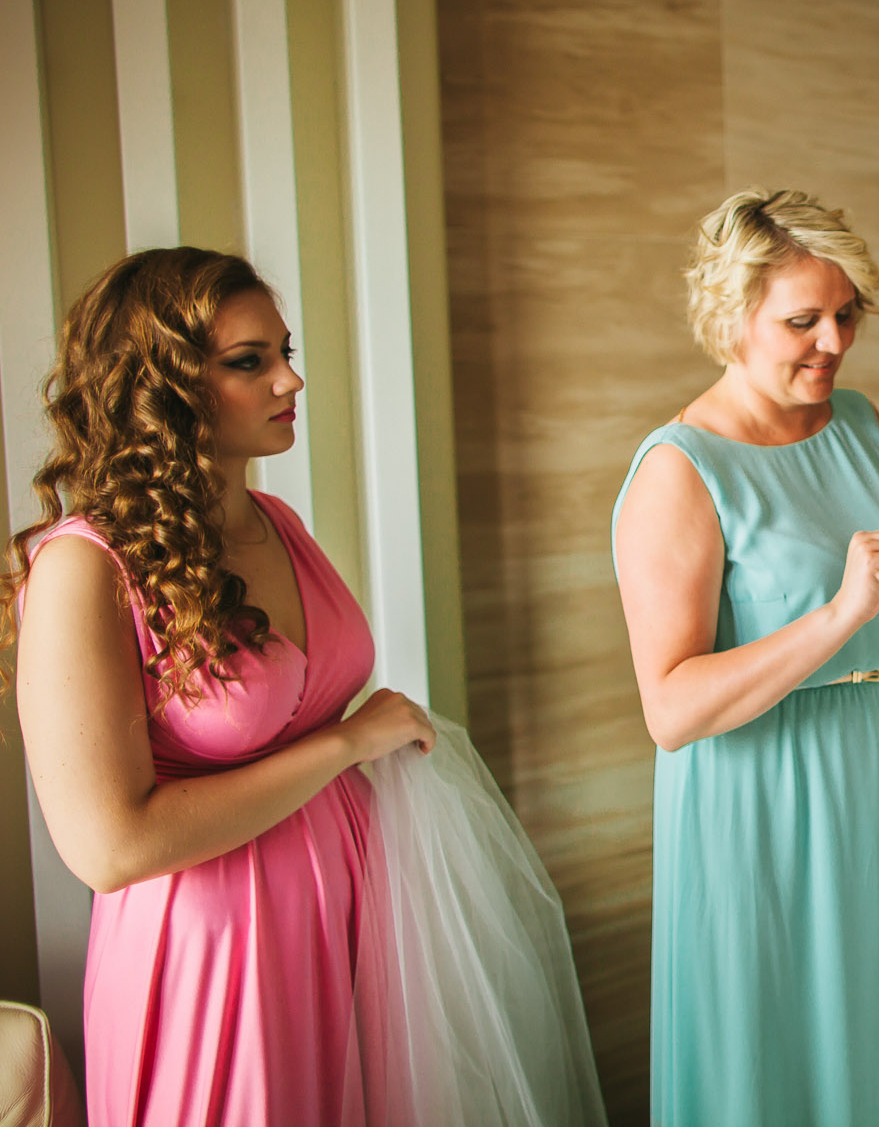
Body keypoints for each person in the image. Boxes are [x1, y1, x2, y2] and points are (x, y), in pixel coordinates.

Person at [3, 247, 605, 1127]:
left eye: (283, 352)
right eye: (249, 362)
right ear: (162, 387)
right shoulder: (84, 570)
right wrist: (346, 743)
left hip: (349, 909)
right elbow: (111, 848)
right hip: (219, 949)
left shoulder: (275, 521)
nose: (290, 380)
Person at [611, 188, 879, 1126]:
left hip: (875, 761)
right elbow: (671, 710)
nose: (835, 342)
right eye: (803, 321)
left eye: (847, 314)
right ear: (731, 317)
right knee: (774, 1046)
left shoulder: (856, 420)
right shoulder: (680, 468)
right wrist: (840, 612)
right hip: (758, 794)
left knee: (873, 1026)